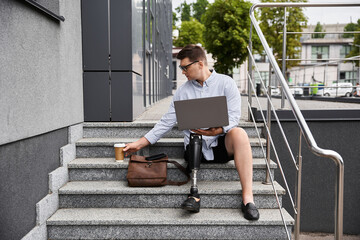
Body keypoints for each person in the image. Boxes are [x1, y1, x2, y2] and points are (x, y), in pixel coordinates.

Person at [123, 44, 259, 220]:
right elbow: (166, 122)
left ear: (200, 64)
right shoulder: (183, 91)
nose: (182, 72)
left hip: (220, 145)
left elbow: (234, 117)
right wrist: (139, 143)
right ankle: (194, 193)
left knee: (239, 133)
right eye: (181, 68)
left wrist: (216, 130)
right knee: (195, 137)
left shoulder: (226, 83)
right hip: (195, 150)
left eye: (185, 67)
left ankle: (248, 199)